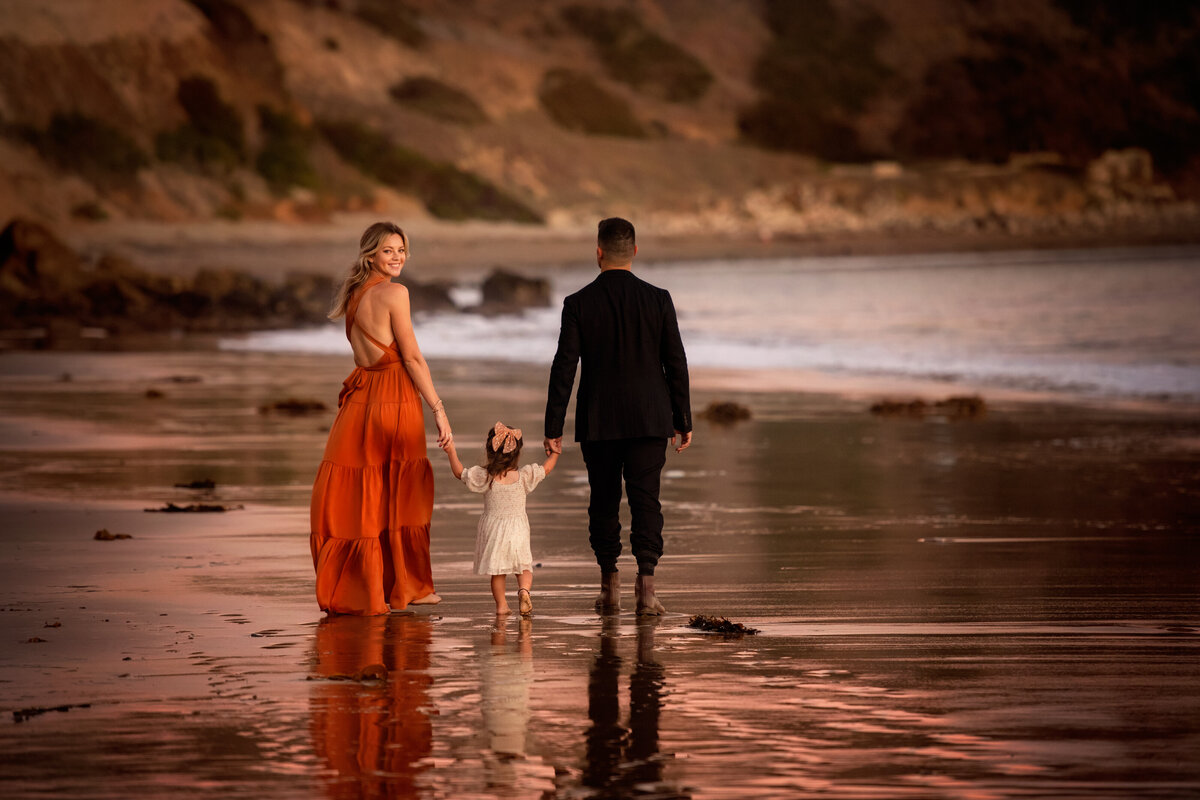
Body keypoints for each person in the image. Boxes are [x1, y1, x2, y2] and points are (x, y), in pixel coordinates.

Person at [544, 217, 692, 616]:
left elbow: (564, 366)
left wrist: (553, 427)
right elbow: (676, 362)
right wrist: (684, 418)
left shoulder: (578, 303)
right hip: (650, 418)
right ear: (635, 253)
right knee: (647, 500)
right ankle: (647, 588)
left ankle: (609, 586)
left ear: (598, 253)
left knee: (603, 501)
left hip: (599, 421)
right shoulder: (658, 298)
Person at [310, 221, 452, 616]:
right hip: (393, 398)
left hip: (360, 402)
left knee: (365, 494)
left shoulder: (353, 295)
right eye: (389, 250)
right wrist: (438, 409)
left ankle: (369, 588)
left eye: (402, 250)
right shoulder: (395, 293)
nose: (398, 257)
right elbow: (411, 357)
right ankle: (408, 587)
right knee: (401, 492)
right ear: (371, 253)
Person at [442, 422, 558, 616]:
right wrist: (555, 453)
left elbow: (460, 473)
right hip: (518, 531)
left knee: (498, 573)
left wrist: (451, 451)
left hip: (494, 531)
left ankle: (502, 606)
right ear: (517, 453)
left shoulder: (486, 477)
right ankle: (524, 591)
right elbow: (545, 470)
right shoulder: (523, 477)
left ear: (490, 451)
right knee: (524, 567)